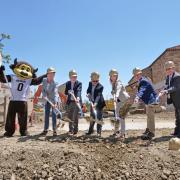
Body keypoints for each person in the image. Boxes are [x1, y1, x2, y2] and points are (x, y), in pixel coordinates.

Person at [0, 59, 46, 137]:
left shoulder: (28, 79)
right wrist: (1, 71)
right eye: (22, 68)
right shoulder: (13, 76)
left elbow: (37, 81)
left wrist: (44, 75)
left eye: (27, 70)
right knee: (10, 117)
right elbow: (3, 79)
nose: (24, 71)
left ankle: (23, 131)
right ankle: (9, 131)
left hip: (22, 101)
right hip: (13, 100)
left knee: (23, 118)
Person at [133, 67, 158, 140]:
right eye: (135, 75)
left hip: (151, 100)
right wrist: (136, 86)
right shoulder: (143, 80)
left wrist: (137, 97)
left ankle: (151, 133)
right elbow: (141, 86)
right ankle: (148, 129)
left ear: (140, 74)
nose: (137, 76)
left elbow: (142, 90)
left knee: (151, 117)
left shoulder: (143, 81)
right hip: (148, 101)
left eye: (138, 74)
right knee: (148, 116)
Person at [159, 61, 180, 137]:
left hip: (178, 98)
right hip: (175, 99)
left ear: (173, 68)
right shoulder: (168, 77)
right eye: (166, 69)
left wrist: (166, 91)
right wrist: (163, 90)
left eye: (169, 68)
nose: (168, 70)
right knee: (177, 115)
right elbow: (167, 85)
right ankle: (177, 131)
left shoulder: (177, 76)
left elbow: (175, 87)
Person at [109, 69, 130, 138]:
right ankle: (116, 131)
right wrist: (113, 93)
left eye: (115, 76)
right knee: (117, 116)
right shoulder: (112, 83)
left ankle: (122, 133)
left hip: (124, 100)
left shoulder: (119, 82)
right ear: (110, 76)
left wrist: (116, 96)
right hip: (118, 100)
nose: (113, 77)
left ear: (117, 76)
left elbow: (118, 90)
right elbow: (114, 91)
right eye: (112, 76)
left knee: (121, 117)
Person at [86, 72, 106, 136]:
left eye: (96, 81)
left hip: (99, 103)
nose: (95, 82)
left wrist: (95, 103)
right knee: (92, 117)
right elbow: (88, 90)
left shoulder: (101, 86)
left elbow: (98, 95)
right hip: (92, 103)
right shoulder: (90, 83)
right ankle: (90, 131)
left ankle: (98, 133)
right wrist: (88, 94)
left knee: (99, 118)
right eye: (93, 81)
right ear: (91, 80)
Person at [41, 67, 59, 136]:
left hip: (53, 100)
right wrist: (44, 95)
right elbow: (43, 90)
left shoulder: (55, 83)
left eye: (53, 74)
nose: (51, 76)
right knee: (47, 114)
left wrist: (55, 103)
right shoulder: (44, 80)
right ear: (47, 74)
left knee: (54, 115)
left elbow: (55, 93)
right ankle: (45, 129)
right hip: (46, 100)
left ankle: (54, 130)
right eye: (50, 74)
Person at [65, 70, 82, 135]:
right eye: (73, 77)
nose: (74, 78)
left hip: (76, 102)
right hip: (70, 102)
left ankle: (75, 130)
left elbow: (79, 91)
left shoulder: (79, 83)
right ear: (70, 77)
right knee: (70, 116)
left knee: (75, 116)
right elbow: (65, 92)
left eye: (75, 77)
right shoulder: (68, 83)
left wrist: (77, 97)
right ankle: (70, 130)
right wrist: (68, 92)